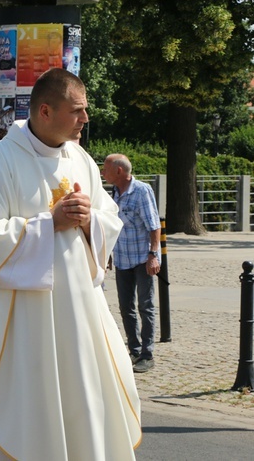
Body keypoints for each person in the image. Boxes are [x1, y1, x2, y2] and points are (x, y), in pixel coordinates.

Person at [0, 68, 141, 460]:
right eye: (77, 110)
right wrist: (49, 222)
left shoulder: (81, 160)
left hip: (79, 314)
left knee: (85, 401)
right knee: (28, 415)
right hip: (23, 323)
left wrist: (90, 222)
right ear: (45, 111)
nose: (85, 119)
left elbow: (108, 220)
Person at [102, 153, 161, 373]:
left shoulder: (141, 191)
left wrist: (153, 254)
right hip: (122, 258)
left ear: (118, 171)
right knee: (126, 307)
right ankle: (134, 351)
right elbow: (113, 227)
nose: (102, 173)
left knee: (145, 306)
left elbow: (154, 225)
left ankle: (147, 353)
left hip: (142, 257)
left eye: (105, 168)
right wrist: (108, 253)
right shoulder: (114, 193)